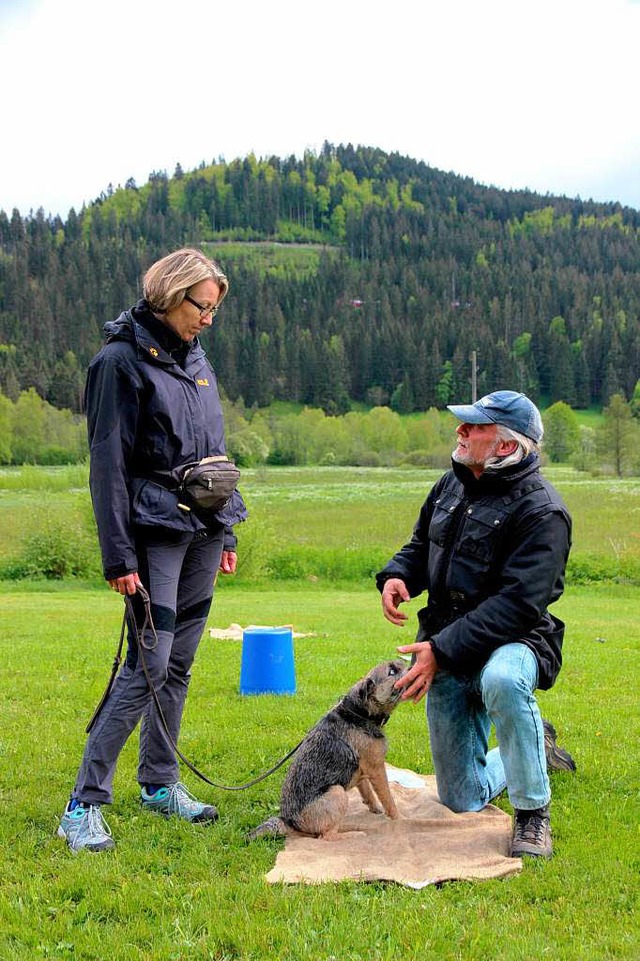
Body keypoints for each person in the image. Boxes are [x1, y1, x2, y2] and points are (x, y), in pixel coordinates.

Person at [58, 248, 247, 853]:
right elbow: (107, 465)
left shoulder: (198, 361)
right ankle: (82, 805)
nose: (208, 319)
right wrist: (118, 556)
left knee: (181, 663)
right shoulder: (118, 363)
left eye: (215, 309)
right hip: (153, 534)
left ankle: (160, 784)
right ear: (170, 294)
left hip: (203, 533)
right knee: (147, 665)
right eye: (202, 306)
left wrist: (227, 532)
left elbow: (213, 452)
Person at [377, 390, 576, 859]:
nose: (460, 431)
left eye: (474, 426)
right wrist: (397, 574)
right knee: (461, 800)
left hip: (517, 640)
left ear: (506, 446)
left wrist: (440, 650)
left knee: (503, 680)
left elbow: (519, 605)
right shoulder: (451, 485)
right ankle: (532, 742)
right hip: (446, 639)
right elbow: (422, 546)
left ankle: (533, 814)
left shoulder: (544, 511)